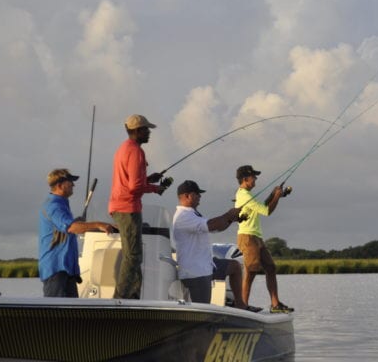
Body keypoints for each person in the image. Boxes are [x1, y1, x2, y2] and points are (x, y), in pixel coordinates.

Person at [172, 180, 261, 312]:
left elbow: (217, 227)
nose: (200, 197)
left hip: (206, 265)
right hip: (195, 272)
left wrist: (231, 219)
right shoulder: (183, 216)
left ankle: (240, 305)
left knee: (234, 266)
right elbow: (212, 224)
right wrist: (228, 215)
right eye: (197, 194)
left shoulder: (192, 214)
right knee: (203, 310)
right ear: (187, 196)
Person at [108, 114, 167, 299]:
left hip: (120, 205)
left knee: (133, 255)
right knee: (133, 256)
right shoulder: (135, 151)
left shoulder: (123, 149)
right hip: (128, 207)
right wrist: (155, 188)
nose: (149, 132)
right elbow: (134, 187)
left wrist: (148, 179)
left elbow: (130, 181)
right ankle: (121, 298)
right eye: (146, 129)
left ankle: (133, 297)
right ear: (137, 131)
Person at [39, 168, 114, 298]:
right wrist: (98, 224)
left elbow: (68, 225)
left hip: (66, 270)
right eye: (70, 182)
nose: (73, 185)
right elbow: (71, 228)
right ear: (60, 185)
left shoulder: (61, 204)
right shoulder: (54, 206)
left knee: (71, 313)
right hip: (57, 270)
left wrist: (78, 222)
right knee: (57, 314)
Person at [234, 165, 294, 313]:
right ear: (245, 179)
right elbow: (267, 211)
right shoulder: (244, 195)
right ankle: (243, 306)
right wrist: (277, 197)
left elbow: (262, 206)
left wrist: (274, 194)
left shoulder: (248, 195)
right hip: (247, 237)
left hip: (256, 236)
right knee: (251, 270)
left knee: (271, 267)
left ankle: (275, 304)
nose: (255, 179)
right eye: (253, 177)